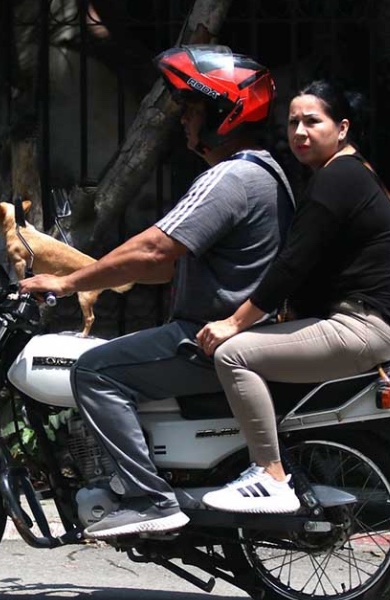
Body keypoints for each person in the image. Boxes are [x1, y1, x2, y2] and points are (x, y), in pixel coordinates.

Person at [18, 45, 295, 538]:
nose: (184, 118)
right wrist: (108, 276)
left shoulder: (232, 177)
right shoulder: (263, 172)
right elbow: (161, 270)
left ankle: (147, 498)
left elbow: (154, 251)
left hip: (206, 339)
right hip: (223, 334)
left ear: (222, 112)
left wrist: (65, 281)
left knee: (94, 371)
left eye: (192, 107)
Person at [196, 80, 390, 514]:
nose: (300, 132)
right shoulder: (352, 173)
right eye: (293, 122)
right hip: (374, 322)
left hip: (362, 326)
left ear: (342, 127)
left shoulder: (337, 180)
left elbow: (292, 265)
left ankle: (270, 474)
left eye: (313, 121)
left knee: (233, 354)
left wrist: (234, 323)